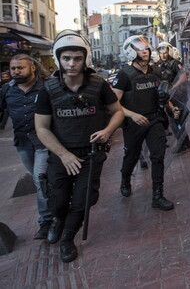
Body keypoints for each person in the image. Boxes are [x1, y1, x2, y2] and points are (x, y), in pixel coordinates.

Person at [34, 30, 124, 262]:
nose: (72, 63)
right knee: (59, 201)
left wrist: (107, 130)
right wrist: (64, 155)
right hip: (60, 156)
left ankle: (68, 239)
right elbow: (42, 128)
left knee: (84, 200)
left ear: (85, 59)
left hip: (91, 155)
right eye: (66, 58)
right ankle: (58, 220)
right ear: (58, 59)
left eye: (77, 58)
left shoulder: (98, 85)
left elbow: (117, 113)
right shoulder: (48, 90)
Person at [112, 35, 176, 211]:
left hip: (154, 119)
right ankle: (125, 178)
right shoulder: (124, 75)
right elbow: (113, 104)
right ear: (131, 52)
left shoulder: (155, 71)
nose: (145, 51)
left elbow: (161, 93)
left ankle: (158, 195)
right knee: (132, 156)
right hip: (134, 123)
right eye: (140, 49)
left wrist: (170, 106)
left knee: (158, 155)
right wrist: (132, 115)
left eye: (146, 48)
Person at [0, 55, 52, 239]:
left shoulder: (47, 86)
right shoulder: (7, 90)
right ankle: (58, 207)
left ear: (33, 68)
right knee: (44, 182)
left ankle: (46, 221)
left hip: (45, 142)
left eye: (20, 68)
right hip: (23, 144)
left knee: (40, 179)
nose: (15, 71)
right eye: (13, 68)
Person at [155, 41, 190, 154]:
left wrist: (173, 87)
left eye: (165, 52)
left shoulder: (175, 63)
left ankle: (182, 145)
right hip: (167, 97)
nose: (163, 55)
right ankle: (186, 142)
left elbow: (184, 77)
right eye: (161, 53)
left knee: (176, 121)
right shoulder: (159, 64)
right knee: (176, 121)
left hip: (178, 96)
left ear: (169, 52)